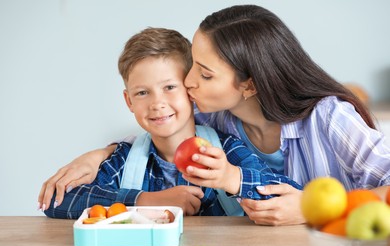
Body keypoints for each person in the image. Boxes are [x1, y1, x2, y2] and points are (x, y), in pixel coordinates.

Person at [39, 5, 390, 225]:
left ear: (249, 86)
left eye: (204, 75)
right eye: (193, 66)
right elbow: (161, 130)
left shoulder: (329, 117)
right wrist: (101, 154)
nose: (187, 83)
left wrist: (317, 208)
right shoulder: (218, 117)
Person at [39, 27, 302, 219]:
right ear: (129, 101)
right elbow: (56, 202)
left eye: (169, 87)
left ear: (190, 90)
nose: (157, 103)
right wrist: (145, 201)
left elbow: (284, 191)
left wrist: (229, 178)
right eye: (142, 93)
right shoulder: (124, 159)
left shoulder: (226, 150)